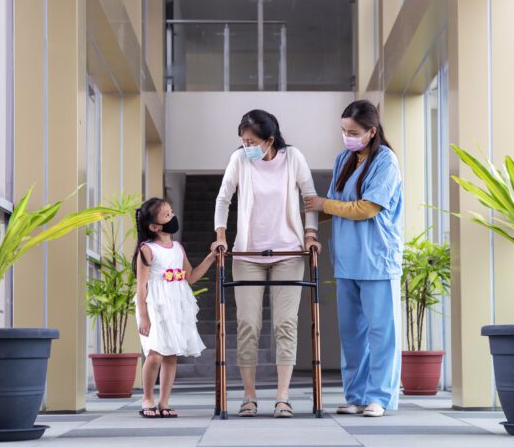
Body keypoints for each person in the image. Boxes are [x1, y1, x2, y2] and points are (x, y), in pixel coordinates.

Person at [211, 110, 322, 418]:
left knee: (286, 324)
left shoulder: (293, 158)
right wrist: (221, 235)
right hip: (247, 253)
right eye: (243, 141)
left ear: (269, 140)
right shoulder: (239, 160)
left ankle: (283, 396)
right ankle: (249, 396)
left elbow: (309, 198)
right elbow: (224, 198)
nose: (246, 146)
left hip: (289, 253)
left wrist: (310, 235)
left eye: (251, 141)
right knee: (248, 325)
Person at [304, 100, 404, 418]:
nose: (347, 136)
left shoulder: (386, 161)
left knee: (380, 332)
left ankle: (380, 397)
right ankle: (357, 396)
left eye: (353, 132)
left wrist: (321, 204)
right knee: (352, 333)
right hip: (347, 261)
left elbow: (365, 208)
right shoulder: (344, 159)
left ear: (371, 131)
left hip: (377, 259)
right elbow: (334, 204)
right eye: (343, 130)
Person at [134, 197, 214, 419]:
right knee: (156, 353)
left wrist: (210, 258)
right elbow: (141, 287)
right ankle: (147, 398)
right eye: (167, 215)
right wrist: (144, 316)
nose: (173, 217)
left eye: (172, 212)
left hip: (176, 302)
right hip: (155, 304)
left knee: (171, 355)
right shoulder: (147, 249)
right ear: (154, 226)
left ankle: (164, 402)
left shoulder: (178, 247)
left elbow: (190, 277)